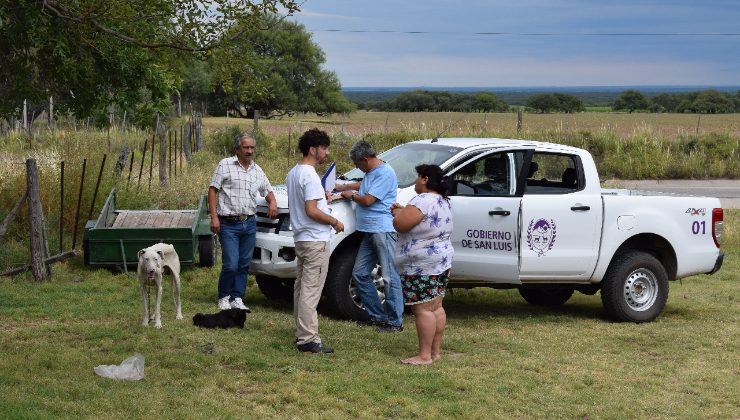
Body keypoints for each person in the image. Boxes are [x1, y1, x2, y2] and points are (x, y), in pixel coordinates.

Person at [286, 129, 345, 354]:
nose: (326, 153)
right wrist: (334, 221)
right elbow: (311, 210)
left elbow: (307, 204)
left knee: (301, 288)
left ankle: (302, 333)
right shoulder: (310, 175)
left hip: (301, 238)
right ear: (313, 149)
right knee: (311, 290)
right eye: (324, 148)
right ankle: (308, 340)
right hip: (315, 239)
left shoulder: (294, 173)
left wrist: (324, 200)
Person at [336, 140, 404, 333]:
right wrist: (342, 187)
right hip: (369, 231)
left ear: (365, 159)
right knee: (360, 274)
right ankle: (378, 316)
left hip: (382, 230)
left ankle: (395, 322)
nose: (357, 167)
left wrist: (349, 195)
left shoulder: (384, 173)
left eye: (357, 164)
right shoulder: (372, 172)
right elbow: (364, 184)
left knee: (390, 277)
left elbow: (367, 200)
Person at [390, 164, 453, 365]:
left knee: (422, 309)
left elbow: (401, 224)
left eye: (418, 177)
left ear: (425, 179)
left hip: (421, 265)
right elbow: (420, 219)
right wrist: (404, 211)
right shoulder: (442, 200)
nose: (415, 182)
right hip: (441, 261)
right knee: (436, 306)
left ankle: (424, 356)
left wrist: (397, 215)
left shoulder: (422, 200)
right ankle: (435, 352)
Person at [209, 133, 277, 311]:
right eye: (246, 147)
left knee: (244, 264)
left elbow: (267, 190)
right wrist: (214, 216)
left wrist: (273, 202)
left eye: (252, 148)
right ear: (237, 149)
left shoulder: (257, 170)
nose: (249, 151)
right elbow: (212, 190)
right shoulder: (225, 165)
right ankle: (224, 296)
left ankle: (237, 298)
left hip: (249, 223)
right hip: (228, 223)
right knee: (231, 263)